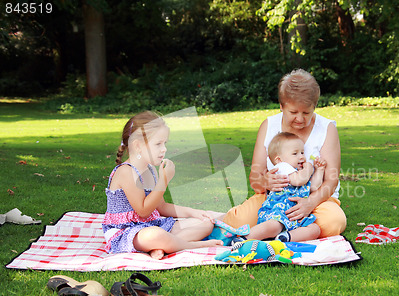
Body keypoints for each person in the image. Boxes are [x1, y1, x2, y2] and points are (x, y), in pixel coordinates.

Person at [223, 69, 347, 238]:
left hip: (316, 199)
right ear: (281, 106)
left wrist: (309, 203)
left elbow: (331, 180)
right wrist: (265, 182)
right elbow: (255, 178)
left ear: (314, 107)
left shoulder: (327, 129)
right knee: (236, 221)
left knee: (333, 223)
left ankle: (280, 231)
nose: (300, 119)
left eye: (306, 113)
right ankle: (290, 230)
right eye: (293, 112)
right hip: (274, 199)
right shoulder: (269, 125)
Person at [102, 111, 223, 260]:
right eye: (158, 144)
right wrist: (163, 181)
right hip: (127, 232)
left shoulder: (150, 169)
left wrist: (193, 212)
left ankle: (163, 246)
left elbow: (161, 207)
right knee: (155, 235)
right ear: (138, 146)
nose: (164, 149)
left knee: (204, 224)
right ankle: (193, 245)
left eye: (165, 143)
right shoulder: (126, 172)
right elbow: (143, 211)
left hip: (152, 225)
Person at [237, 131, 325, 243]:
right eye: (295, 154)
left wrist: (320, 170)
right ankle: (245, 238)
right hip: (277, 213)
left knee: (314, 229)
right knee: (274, 226)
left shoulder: (300, 172)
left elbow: (314, 187)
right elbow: (298, 180)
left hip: (295, 217)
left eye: (302, 152)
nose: (302, 157)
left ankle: (286, 237)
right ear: (279, 159)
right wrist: (309, 169)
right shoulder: (282, 168)